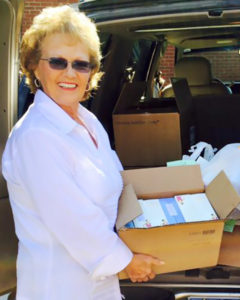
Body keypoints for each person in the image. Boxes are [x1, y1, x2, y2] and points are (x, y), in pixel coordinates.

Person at [1, 6, 163, 300]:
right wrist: (128, 262)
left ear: (92, 72)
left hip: (97, 284)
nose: (70, 73)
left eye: (81, 64)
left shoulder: (87, 121)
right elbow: (74, 221)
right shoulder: (36, 136)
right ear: (35, 66)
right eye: (58, 62)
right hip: (59, 287)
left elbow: (116, 183)